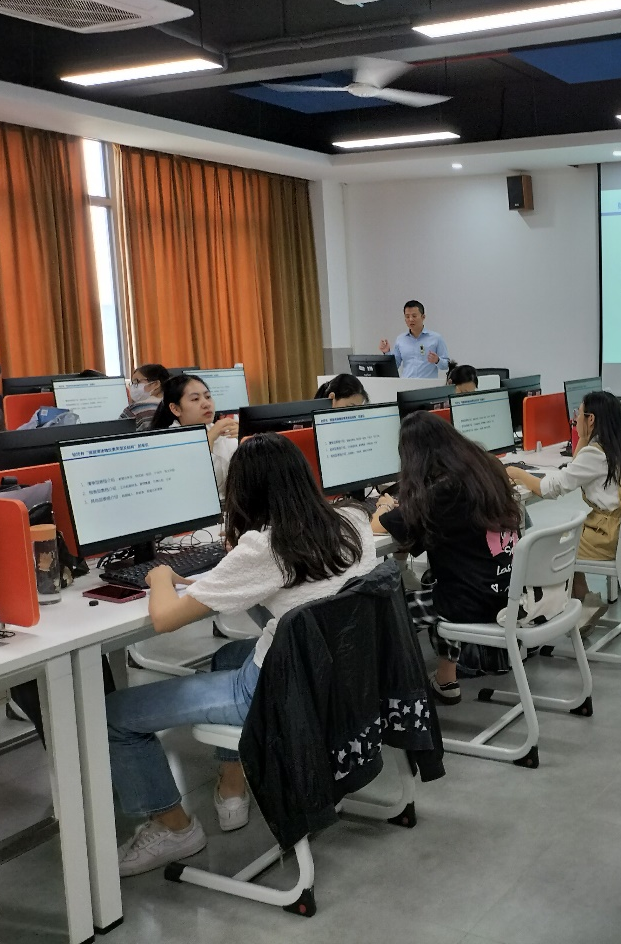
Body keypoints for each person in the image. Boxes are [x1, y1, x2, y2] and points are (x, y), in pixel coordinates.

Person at [104, 432, 377, 876]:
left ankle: (173, 829)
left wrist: (159, 577)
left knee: (115, 716)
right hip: (345, 678)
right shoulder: (351, 520)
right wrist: (230, 568)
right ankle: (233, 784)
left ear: (243, 492)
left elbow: (165, 619)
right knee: (231, 655)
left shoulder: (265, 548)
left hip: (282, 690)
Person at [371, 411, 523, 705]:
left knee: (384, 611)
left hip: (472, 602)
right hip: (506, 591)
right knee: (435, 577)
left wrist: (385, 507)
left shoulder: (441, 491)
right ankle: (446, 679)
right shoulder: (485, 470)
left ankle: (393, 694)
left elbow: (379, 526)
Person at [506, 390, 621, 601]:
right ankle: (585, 601)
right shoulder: (620, 445)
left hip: (610, 536)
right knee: (568, 537)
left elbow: (549, 489)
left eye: (578, 414)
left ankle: (574, 606)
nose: (575, 419)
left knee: (550, 548)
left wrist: (517, 473)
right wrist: (584, 436)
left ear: (591, 419)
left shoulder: (596, 454)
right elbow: (577, 465)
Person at [150, 374, 238, 492]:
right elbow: (194, 484)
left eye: (208, 397)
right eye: (195, 399)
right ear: (175, 409)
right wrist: (210, 438)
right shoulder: (168, 442)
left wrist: (245, 443)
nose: (206, 404)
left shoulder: (221, 431)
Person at [378, 300, 449, 379]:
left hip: (428, 385)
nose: (411, 319)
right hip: (406, 384)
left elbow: (446, 365)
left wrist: (437, 360)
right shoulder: (400, 339)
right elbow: (395, 366)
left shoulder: (436, 338)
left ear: (423, 317)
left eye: (414, 316)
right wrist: (387, 352)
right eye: (407, 316)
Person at [121, 363, 169, 428]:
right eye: (132, 383)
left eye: (137, 382)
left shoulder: (135, 410)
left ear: (155, 384)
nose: (133, 387)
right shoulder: (175, 407)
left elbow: (116, 431)